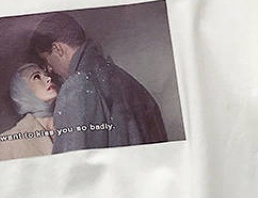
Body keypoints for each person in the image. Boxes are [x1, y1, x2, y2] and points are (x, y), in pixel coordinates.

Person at [30, 12, 168, 153]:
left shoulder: (76, 87)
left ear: (57, 49)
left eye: (47, 60)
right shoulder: (129, 82)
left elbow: (74, 160)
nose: (50, 69)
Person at [0, 62, 58, 162]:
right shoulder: (11, 141)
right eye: (36, 77)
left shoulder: (73, 119)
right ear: (23, 91)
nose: (49, 78)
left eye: (46, 75)